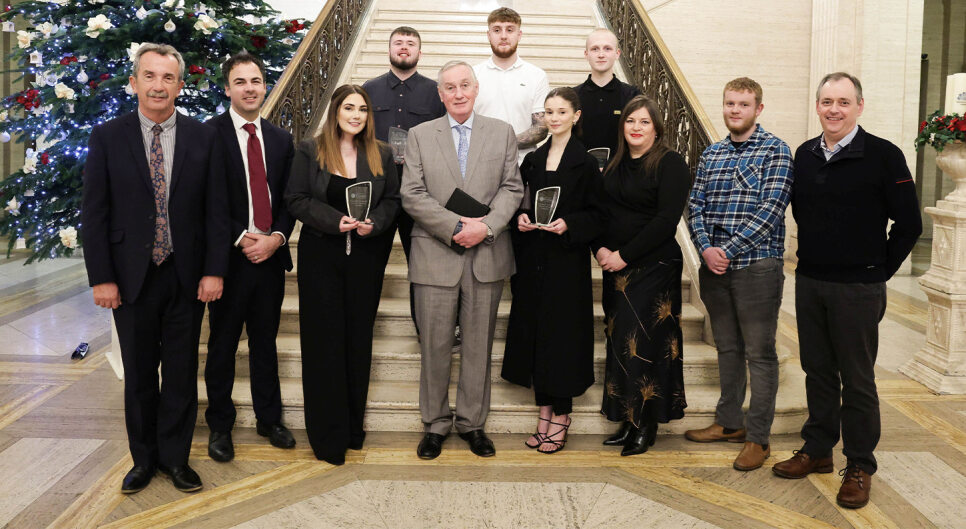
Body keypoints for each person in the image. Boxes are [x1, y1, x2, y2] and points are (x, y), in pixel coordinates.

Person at [81, 43, 229, 493]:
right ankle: (143, 460)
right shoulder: (107, 137)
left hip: (187, 276)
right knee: (140, 374)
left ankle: (176, 460)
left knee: (181, 374)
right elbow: (96, 215)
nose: (158, 85)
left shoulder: (204, 137)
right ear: (134, 82)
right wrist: (102, 278)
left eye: (168, 78)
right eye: (149, 76)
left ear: (180, 85)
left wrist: (214, 270)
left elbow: (217, 212)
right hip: (129, 279)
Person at [772, 72, 921, 509]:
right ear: (817, 106)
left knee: (857, 380)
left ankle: (859, 464)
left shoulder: (884, 155)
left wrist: (878, 272)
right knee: (818, 372)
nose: (833, 109)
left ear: (859, 106)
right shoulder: (804, 154)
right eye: (826, 101)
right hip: (811, 281)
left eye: (842, 101)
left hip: (858, 287)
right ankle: (817, 449)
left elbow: (910, 224)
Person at [401, 60, 524, 460]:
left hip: (486, 256)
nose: (458, 93)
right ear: (440, 94)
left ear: (476, 89)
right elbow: (412, 194)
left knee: (478, 346)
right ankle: (435, 424)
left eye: (464, 85)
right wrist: (457, 227)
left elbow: (512, 188)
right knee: (435, 345)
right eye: (449, 87)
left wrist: (486, 228)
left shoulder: (502, 133)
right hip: (435, 255)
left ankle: (472, 423)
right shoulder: (420, 135)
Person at [285, 84, 400, 465]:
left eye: (362, 109)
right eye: (349, 108)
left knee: (357, 342)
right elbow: (296, 199)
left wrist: (375, 224)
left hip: (365, 259)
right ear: (335, 111)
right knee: (323, 346)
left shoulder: (381, 152)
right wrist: (337, 221)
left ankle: (353, 427)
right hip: (322, 257)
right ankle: (327, 435)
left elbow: (393, 201)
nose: (355, 115)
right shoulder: (310, 150)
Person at [684, 77, 793, 471]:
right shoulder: (711, 154)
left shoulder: (775, 151)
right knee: (727, 348)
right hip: (715, 268)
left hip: (757, 268)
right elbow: (694, 204)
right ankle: (729, 422)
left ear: (758, 109)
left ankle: (758, 439)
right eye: (730, 103)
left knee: (760, 354)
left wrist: (726, 250)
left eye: (743, 104)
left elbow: (771, 211)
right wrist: (705, 249)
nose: (735, 110)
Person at [203, 50, 297, 463]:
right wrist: (244, 238)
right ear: (227, 88)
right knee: (222, 345)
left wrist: (276, 237)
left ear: (265, 85)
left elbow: (289, 199)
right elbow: (207, 201)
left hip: (271, 260)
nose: (250, 88)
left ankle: (269, 418)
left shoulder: (280, 139)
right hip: (229, 261)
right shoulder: (208, 135)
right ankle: (220, 425)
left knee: (265, 342)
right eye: (240, 82)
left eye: (256, 80)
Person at [502, 87, 602, 454]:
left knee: (562, 340)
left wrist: (569, 225)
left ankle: (561, 416)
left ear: (576, 116)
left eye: (561, 112)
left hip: (566, 262)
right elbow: (520, 203)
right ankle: (543, 413)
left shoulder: (587, 163)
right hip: (533, 259)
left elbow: (596, 214)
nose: (554, 118)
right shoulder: (533, 159)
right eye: (548, 112)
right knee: (538, 338)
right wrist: (523, 219)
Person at [593, 95, 690, 456]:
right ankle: (627, 419)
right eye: (631, 121)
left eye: (644, 122)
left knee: (646, 348)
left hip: (654, 267)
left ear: (657, 127)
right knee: (621, 345)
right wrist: (600, 249)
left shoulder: (670, 163)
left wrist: (623, 255)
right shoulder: (614, 163)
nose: (636, 127)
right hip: (616, 270)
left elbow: (666, 221)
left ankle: (645, 425)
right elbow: (599, 212)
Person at [362, 26, 446, 337]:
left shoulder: (435, 92)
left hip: (419, 192)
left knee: (423, 268)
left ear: (419, 52)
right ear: (389, 49)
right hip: (378, 194)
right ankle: (362, 327)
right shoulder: (368, 90)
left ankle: (427, 330)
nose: (404, 48)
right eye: (398, 42)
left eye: (411, 44)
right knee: (370, 265)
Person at [473, 7, 550, 163]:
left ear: (519, 35)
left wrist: (503, 144)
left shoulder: (537, 75)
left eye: (510, 30)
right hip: (479, 164)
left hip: (522, 165)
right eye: (496, 30)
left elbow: (541, 128)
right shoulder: (472, 75)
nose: (503, 36)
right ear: (488, 35)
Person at [573, 28, 640, 156]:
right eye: (595, 49)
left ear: (617, 54)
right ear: (586, 54)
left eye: (607, 49)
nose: (601, 54)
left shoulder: (633, 96)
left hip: (621, 172)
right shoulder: (572, 96)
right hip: (580, 172)